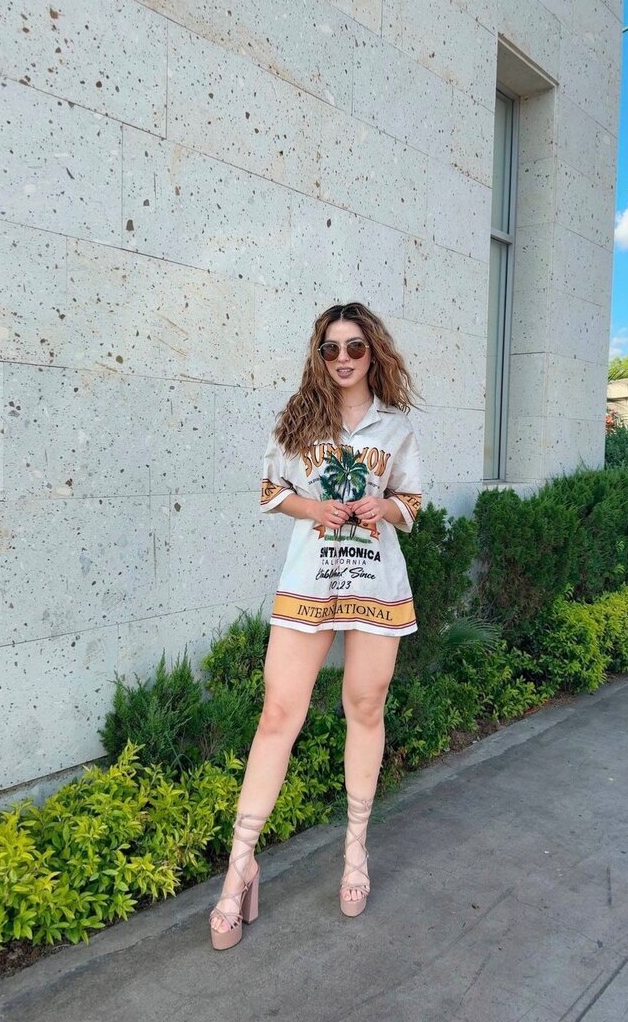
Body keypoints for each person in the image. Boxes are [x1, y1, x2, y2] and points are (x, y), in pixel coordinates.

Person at [209, 301, 423, 949]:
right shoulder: (299, 417)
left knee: (366, 707)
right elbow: (270, 490)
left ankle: (355, 853)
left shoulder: (395, 427)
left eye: (354, 347)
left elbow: (411, 501)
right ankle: (239, 869)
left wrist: (382, 507)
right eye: (331, 348)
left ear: (372, 352)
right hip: (310, 581)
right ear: (319, 355)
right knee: (278, 713)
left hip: (375, 584)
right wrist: (314, 508)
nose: (342, 359)